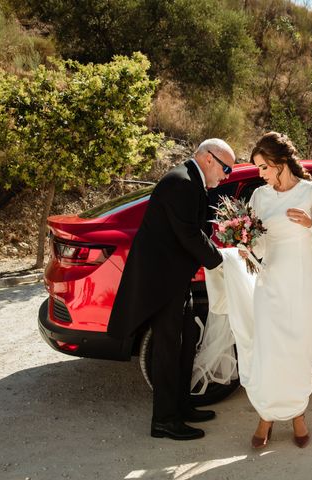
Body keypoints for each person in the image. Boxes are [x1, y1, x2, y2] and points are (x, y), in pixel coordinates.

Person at [108, 138, 235, 440]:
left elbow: (195, 230)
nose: (227, 175)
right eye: (226, 168)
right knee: (167, 350)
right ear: (208, 158)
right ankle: (164, 420)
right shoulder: (182, 182)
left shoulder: (191, 180)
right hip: (161, 283)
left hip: (175, 279)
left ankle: (181, 405)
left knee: (187, 339)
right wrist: (222, 262)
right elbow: (188, 235)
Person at [243, 131, 312, 448]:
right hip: (271, 281)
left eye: (263, 167)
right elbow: (258, 244)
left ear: (279, 162)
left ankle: (298, 414)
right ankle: (266, 416)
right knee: (270, 352)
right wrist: (244, 244)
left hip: (305, 283)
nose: (261, 175)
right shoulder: (260, 197)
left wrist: (310, 225)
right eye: (259, 169)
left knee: (300, 352)